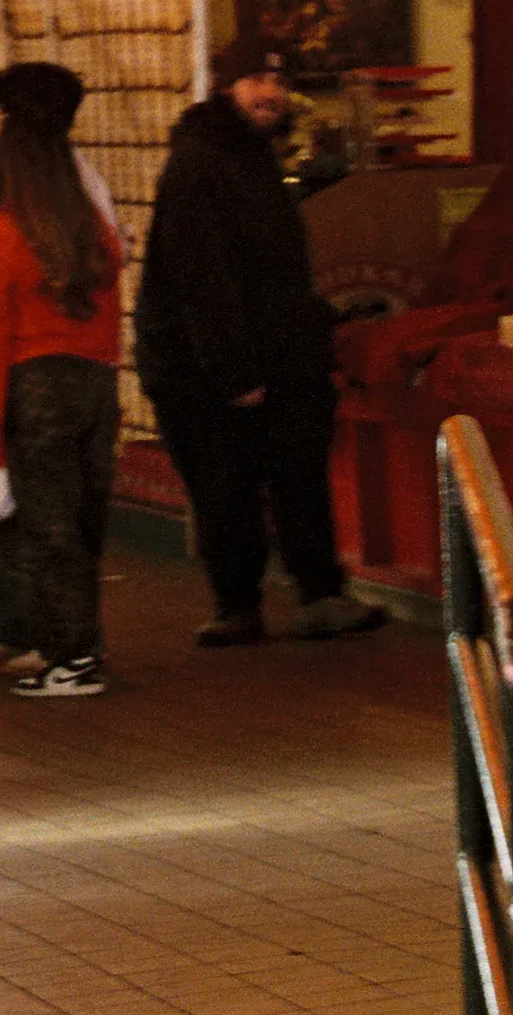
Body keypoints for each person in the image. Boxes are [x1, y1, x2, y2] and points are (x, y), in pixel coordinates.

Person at [136, 50, 387, 646]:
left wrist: (318, 322)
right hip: (208, 364)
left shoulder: (247, 157)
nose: (270, 92)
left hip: (268, 352)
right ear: (226, 87)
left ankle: (309, 595)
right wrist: (231, 370)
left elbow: (269, 269)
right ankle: (244, 605)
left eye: (278, 81)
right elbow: (200, 275)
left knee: (293, 475)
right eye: (256, 79)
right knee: (227, 485)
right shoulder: (201, 164)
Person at [0, 62, 125, 698]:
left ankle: (71, 658)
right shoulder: (98, 239)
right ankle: (80, 648)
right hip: (96, 386)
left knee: (37, 532)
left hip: (33, 392)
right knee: (80, 525)